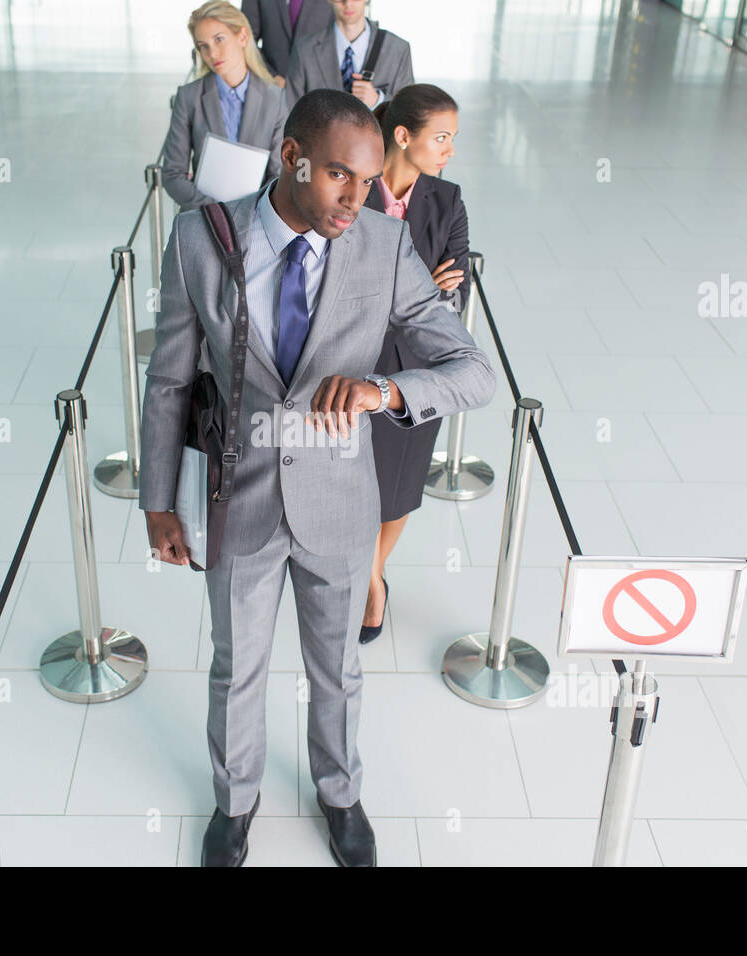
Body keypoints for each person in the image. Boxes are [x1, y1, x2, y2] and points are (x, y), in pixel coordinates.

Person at [139, 89, 494, 867]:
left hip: (340, 500)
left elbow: (473, 372)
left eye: (367, 181)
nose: (355, 198)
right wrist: (158, 500)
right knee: (237, 665)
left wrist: (384, 391)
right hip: (242, 499)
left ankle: (340, 793)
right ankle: (234, 804)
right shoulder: (203, 239)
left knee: (337, 665)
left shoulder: (379, 246)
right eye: (339, 176)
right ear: (291, 158)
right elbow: (168, 380)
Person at [359, 84, 469, 645]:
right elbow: (337, 280)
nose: (450, 150)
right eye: (441, 137)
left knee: (401, 485)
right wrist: (420, 285)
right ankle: (359, 569)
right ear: (403, 136)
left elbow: (456, 285)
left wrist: (406, 290)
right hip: (354, 361)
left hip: (420, 373)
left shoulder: (446, 200)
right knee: (354, 478)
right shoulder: (353, 187)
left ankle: (371, 575)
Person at [162, 1, 288, 213]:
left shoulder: (274, 98)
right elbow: (172, 174)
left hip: (256, 218)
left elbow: (278, 174)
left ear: (242, 37)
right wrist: (215, 211)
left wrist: (247, 210)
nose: (213, 53)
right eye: (204, 46)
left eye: (219, 39)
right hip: (202, 217)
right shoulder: (189, 97)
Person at [284, 0, 414, 111]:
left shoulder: (398, 50)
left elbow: (409, 111)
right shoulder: (305, 51)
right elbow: (290, 111)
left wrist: (378, 100)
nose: (348, 3)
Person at [242, 0, 334, 88]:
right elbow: (246, 41)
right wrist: (270, 75)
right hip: (272, 88)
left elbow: (339, 36)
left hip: (318, 89)